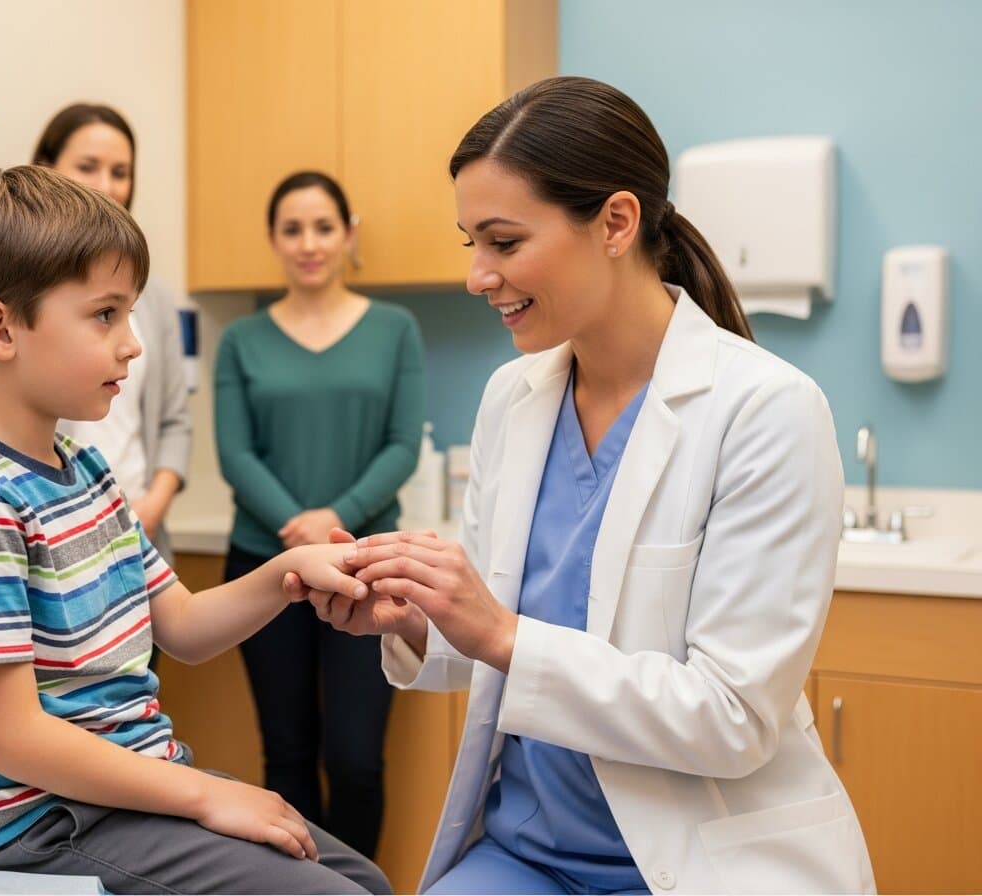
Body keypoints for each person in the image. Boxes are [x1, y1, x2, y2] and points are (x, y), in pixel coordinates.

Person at [299, 77, 875, 894]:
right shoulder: (514, 398)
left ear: (616, 222)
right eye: (470, 242)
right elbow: (504, 645)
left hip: (700, 860)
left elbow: (733, 718)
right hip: (525, 854)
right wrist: (424, 627)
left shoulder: (765, 411)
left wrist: (497, 632)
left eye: (503, 241)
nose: (477, 274)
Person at [0, 165, 390, 896]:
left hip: (124, 787)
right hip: (39, 821)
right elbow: (14, 739)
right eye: (105, 315)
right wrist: (211, 794)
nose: (133, 344)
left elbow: (179, 622)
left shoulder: (81, 467)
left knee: (363, 880)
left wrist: (292, 574)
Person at [213, 171, 426, 858]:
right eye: (293, 229)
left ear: (349, 235)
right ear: (273, 240)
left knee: (357, 758)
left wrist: (332, 518)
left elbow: (401, 445)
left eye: (324, 227)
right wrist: (297, 534)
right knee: (288, 755)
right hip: (266, 568)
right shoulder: (242, 340)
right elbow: (236, 455)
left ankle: (354, 885)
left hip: (367, 566)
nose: (309, 243)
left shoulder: (394, 329)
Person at [0, 103, 190, 563]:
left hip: (131, 525)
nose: (107, 185)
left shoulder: (92, 472)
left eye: (121, 171)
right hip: (47, 526)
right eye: (88, 166)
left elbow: (174, 420)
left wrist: (149, 506)